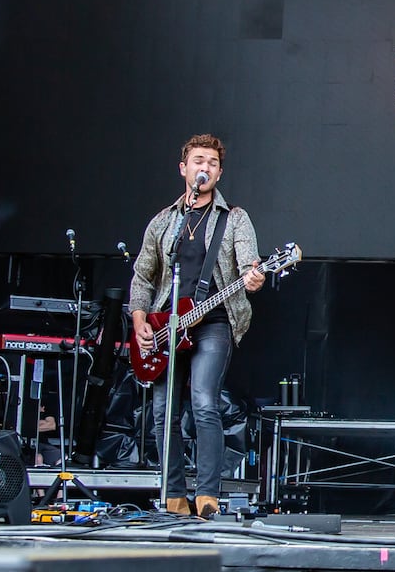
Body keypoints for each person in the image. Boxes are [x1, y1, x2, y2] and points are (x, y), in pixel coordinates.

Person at [128, 133, 264, 518]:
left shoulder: (234, 219)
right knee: (163, 412)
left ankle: (206, 494)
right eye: (198, 160)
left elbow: (249, 265)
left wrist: (255, 276)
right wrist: (140, 318)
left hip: (213, 321)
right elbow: (142, 276)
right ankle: (172, 495)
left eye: (212, 163)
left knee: (204, 402)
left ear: (219, 173)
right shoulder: (164, 222)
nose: (204, 168)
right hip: (165, 325)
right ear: (184, 169)